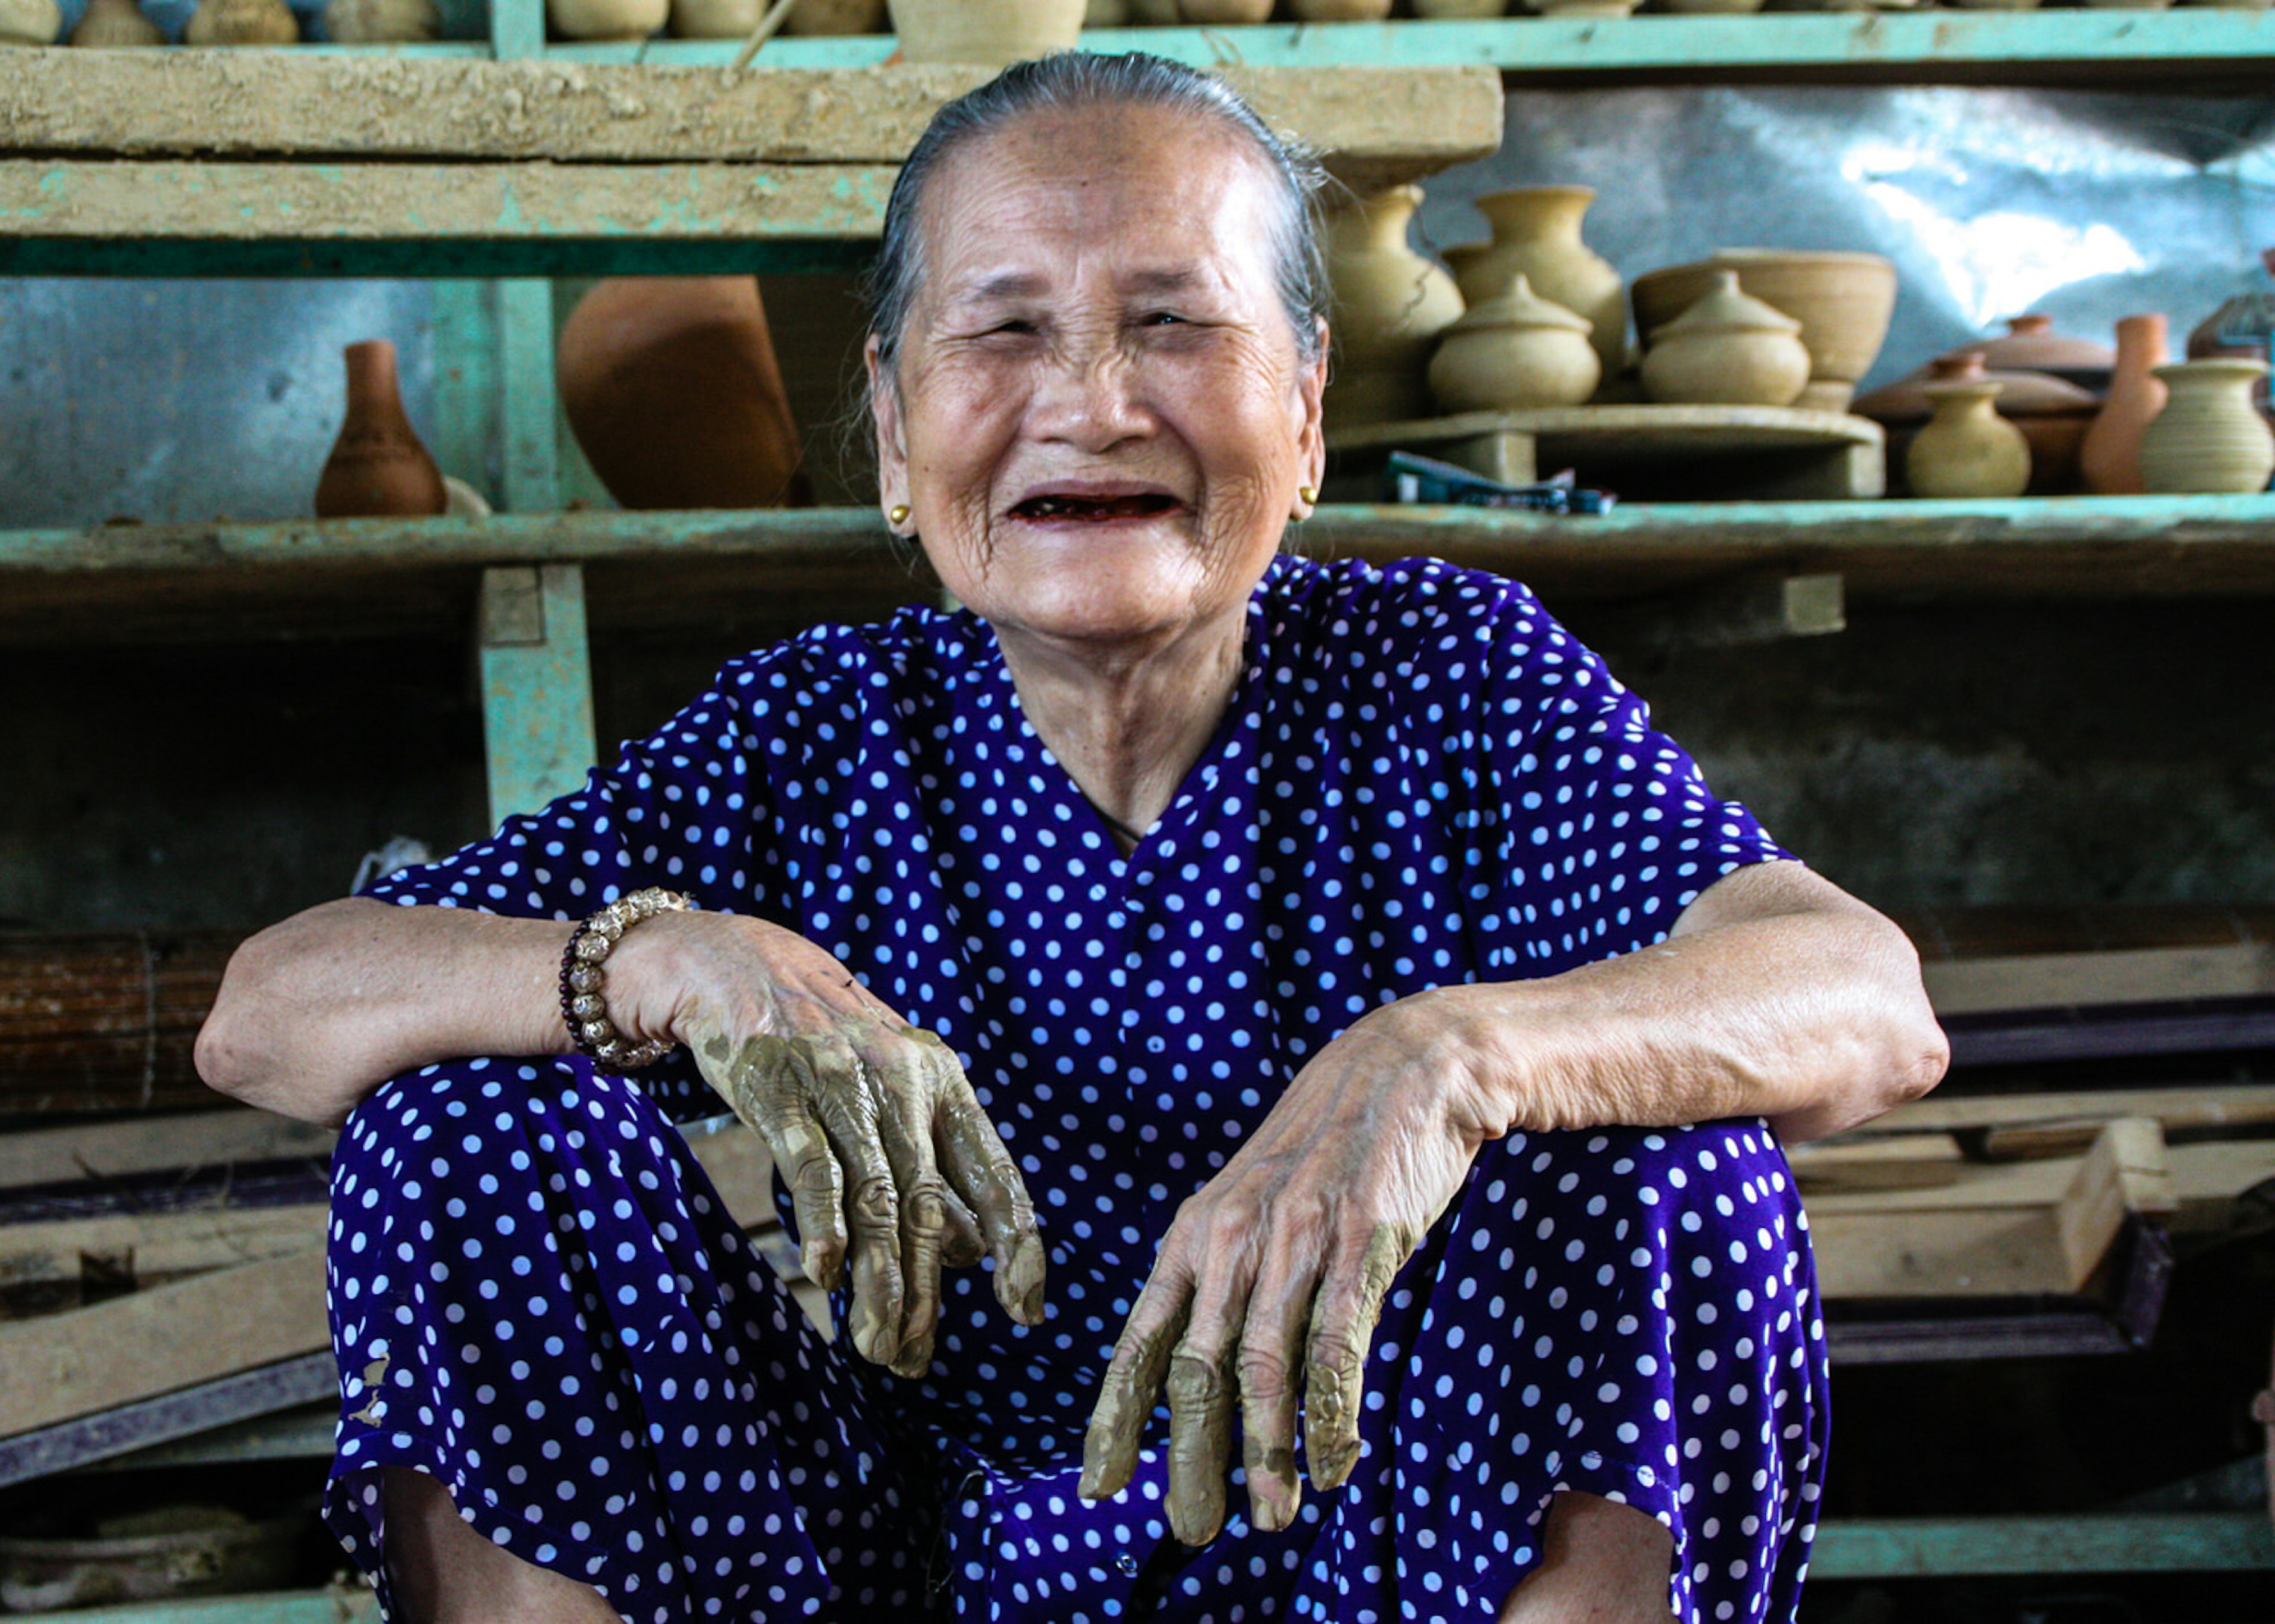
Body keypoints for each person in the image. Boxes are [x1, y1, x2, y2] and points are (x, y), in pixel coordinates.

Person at [197, 52, 1947, 1624]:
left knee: (1673, 1164)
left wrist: (1455, 1053)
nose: (1095, 402)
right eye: (1007, 329)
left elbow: (1865, 1000)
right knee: (458, 1121)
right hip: (890, 1556)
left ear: (1311, 409)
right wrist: (661, 954)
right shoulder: (821, 729)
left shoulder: (1448, 681)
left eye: (1176, 325)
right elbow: (272, 1012)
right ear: (894, 429)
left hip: (1359, 1540)